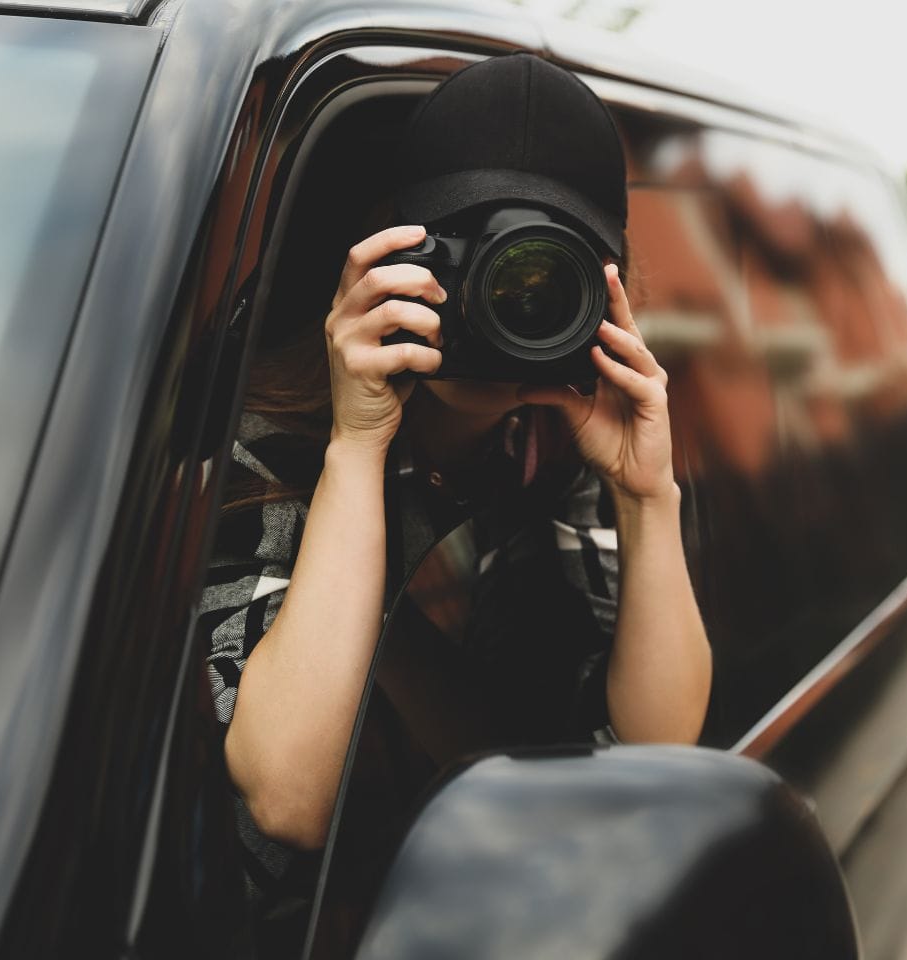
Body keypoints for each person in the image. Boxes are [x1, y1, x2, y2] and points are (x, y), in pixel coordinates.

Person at [199, 51, 712, 905]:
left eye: (545, 277)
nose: (501, 301)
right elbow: (289, 802)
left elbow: (656, 757)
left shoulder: (552, 448)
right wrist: (357, 443)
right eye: (471, 255)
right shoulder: (261, 449)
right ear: (392, 257)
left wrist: (647, 497)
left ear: (602, 296)